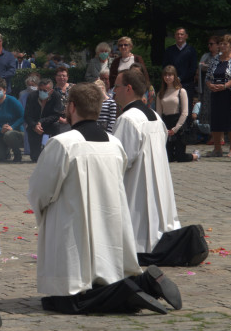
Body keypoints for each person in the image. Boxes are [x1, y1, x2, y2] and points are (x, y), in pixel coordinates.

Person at [28, 83, 183, 316]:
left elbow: (40, 191)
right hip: (109, 228)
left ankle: (136, 290)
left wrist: (43, 216)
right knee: (100, 283)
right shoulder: (114, 143)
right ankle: (137, 284)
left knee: (67, 302)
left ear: (71, 107)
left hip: (72, 229)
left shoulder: (63, 143)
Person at [113, 69, 207, 267]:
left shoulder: (127, 120)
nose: (114, 92)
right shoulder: (155, 116)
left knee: (141, 239)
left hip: (136, 186)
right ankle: (181, 242)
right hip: (159, 185)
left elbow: (119, 160)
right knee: (156, 229)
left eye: (117, 87)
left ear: (128, 89)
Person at [206, 34, 231, 157]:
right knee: (216, 120)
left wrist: (225, 85)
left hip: (230, 94)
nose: (222, 46)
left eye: (225, 44)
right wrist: (210, 85)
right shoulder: (215, 59)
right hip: (216, 93)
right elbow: (207, 76)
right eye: (221, 43)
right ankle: (217, 149)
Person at [24, 78, 66, 163]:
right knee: (35, 158)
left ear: (51, 91)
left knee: (56, 126)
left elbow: (56, 115)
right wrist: (35, 125)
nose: (42, 92)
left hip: (49, 123)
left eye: (45, 90)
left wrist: (41, 121)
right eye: (40, 90)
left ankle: (55, 155)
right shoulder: (32, 96)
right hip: (35, 126)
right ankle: (36, 154)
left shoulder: (56, 96)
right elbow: (27, 115)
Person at [156, 65, 189, 163]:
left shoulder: (181, 91)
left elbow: (185, 112)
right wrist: (164, 128)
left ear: (174, 76)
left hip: (178, 123)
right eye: (165, 75)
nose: (167, 77)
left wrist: (175, 128)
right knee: (168, 158)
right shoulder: (160, 93)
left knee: (180, 157)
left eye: (170, 75)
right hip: (166, 123)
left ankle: (195, 155)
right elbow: (159, 113)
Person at [0, 78, 25, 162]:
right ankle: (6, 152)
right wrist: (0, 129)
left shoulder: (12, 101)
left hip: (14, 133)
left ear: (5, 90)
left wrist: (12, 127)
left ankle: (17, 153)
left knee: (9, 135)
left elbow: (23, 116)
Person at [162, 28, 198, 101]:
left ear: (186, 36)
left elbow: (193, 68)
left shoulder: (191, 50)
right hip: (171, 84)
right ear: (175, 36)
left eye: (182, 34)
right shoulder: (169, 50)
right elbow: (165, 67)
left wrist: (180, 78)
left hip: (187, 84)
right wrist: (172, 78)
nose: (179, 36)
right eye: (177, 34)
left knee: (187, 109)